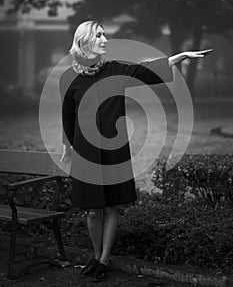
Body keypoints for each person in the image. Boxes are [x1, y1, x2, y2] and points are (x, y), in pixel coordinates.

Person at [59, 20, 212, 282]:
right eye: (99, 35)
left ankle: (104, 260)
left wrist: (181, 56)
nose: (105, 39)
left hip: (114, 151)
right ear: (84, 41)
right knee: (93, 210)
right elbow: (67, 117)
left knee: (110, 208)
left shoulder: (115, 70)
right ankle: (95, 256)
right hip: (86, 153)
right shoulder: (68, 78)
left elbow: (147, 70)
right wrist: (67, 146)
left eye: (104, 34)